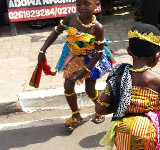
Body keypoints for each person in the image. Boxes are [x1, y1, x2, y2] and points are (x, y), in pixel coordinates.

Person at [96, 24, 160, 150]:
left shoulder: (119, 76)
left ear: (129, 51)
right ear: (157, 56)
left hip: (124, 132)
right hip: (150, 133)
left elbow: (100, 109)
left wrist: (122, 106)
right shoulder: (159, 80)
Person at [38, 0, 114, 131]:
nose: (82, 8)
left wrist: (85, 70)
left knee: (89, 89)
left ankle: (99, 108)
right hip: (74, 57)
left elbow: (99, 52)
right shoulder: (71, 18)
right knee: (68, 85)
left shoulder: (97, 27)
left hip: (91, 59)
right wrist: (42, 50)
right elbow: (56, 32)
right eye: (78, 4)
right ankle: (76, 115)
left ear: (97, 4)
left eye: (87, 4)